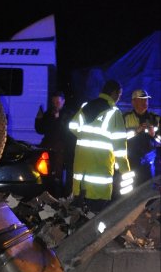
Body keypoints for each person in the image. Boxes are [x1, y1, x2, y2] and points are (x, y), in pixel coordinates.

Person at [68, 79, 133, 211]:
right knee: (96, 217)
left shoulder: (86, 106)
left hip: (80, 177)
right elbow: (120, 148)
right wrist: (125, 171)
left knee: (79, 217)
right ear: (114, 93)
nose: (118, 99)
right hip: (99, 176)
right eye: (119, 95)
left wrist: (87, 136)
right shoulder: (114, 113)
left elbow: (72, 126)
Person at [35, 91, 72, 196]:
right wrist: (38, 119)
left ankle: (60, 193)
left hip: (62, 149)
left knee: (58, 175)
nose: (55, 104)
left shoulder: (68, 114)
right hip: (48, 147)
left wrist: (57, 119)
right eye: (53, 102)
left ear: (63, 102)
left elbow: (66, 132)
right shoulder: (48, 114)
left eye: (57, 102)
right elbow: (40, 129)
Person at [123, 88, 160, 183]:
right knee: (131, 193)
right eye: (141, 99)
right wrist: (136, 131)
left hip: (150, 164)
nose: (145, 102)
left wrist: (154, 136)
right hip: (131, 163)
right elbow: (120, 139)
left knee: (149, 192)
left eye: (146, 99)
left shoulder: (156, 119)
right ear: (134, 102)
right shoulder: (125, 118)